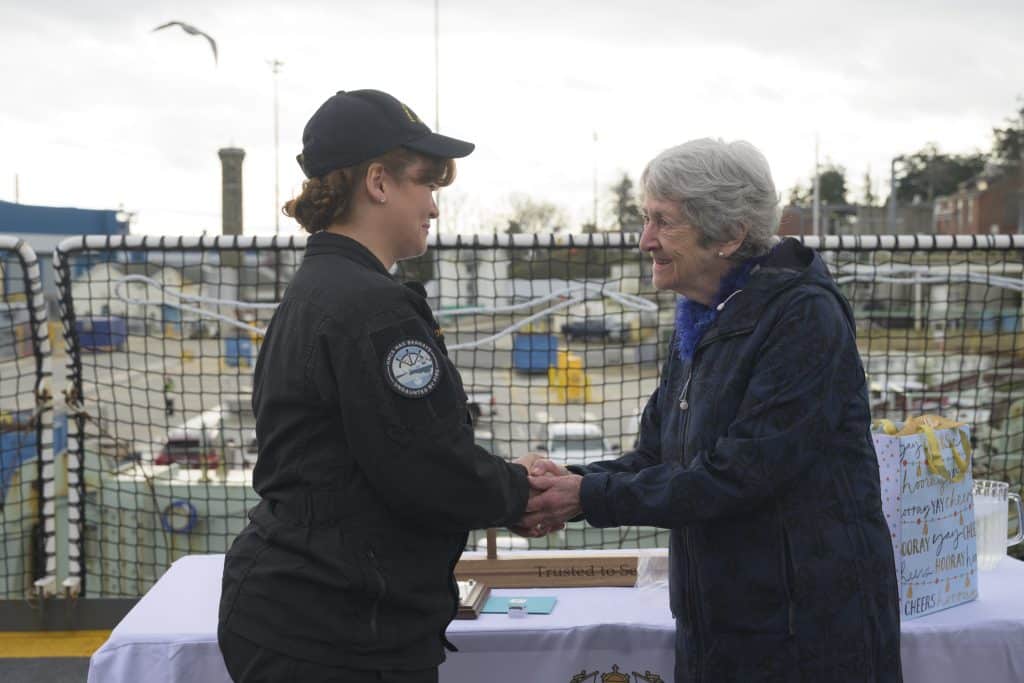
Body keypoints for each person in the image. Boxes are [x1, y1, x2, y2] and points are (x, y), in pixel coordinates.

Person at [523, 139, 903, 682]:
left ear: (729, 235)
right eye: (645, 219)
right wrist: (570, 485)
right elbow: (657, 457)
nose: (644, 241)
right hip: (723, 630)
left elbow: (740, 474)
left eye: (663, 222)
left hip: (804, 640)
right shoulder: (702, 319)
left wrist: (586, 495)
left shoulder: (802, 318)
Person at [218, 89, 537, 683]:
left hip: (300, 611)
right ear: (378, 183)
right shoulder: (373, 309)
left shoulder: (319, 287)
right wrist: (523, 492)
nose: (434, 208)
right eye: (426, 184)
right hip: (337, 633)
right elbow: (427, 469)